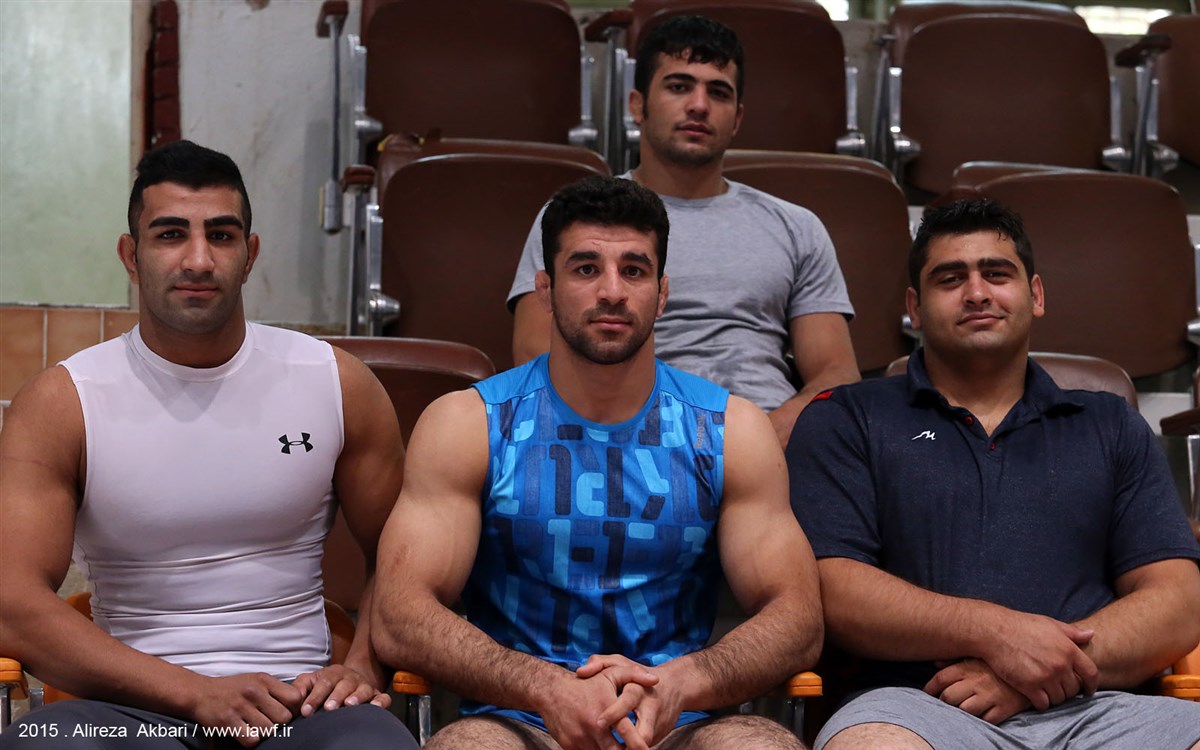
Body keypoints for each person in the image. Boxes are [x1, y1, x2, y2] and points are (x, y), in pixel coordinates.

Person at [372, 175, 822, 750]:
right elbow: (399, 615)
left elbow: (798, 616)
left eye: (634, 271)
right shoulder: (469, 423)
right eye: (586, 269)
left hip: (678, 718)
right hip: (518, 718)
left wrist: (682, 682)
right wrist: (546, 688)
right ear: (545, 288)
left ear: (662, 292)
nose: (612, 291)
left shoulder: (730, 429)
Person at [0, 141, 417, 749]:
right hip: (127, 711)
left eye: (220, 235)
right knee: (41, 741)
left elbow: (404, 559)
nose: (198, 259)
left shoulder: (336, 382)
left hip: (301, 707)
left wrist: (362, 668)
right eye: (170, 234)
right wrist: (196, 692)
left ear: (250, 255)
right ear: (131, 255)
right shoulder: (62, 403)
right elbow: (12, 605)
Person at [787, 198, 1200, 749]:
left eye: (997, 274)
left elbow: (1178, 602)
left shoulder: (1111, 425)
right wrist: (997, 633)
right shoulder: (846, 417)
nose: (977, 292)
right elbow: (834, 590)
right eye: (950, 278)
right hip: (914, 707)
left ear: (1036, 295)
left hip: (1097, 705)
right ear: (914, 307)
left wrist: (1039, 671)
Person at [508, 15, 860, 447]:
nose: (699, 105)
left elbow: (836, 373)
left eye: (718, 92)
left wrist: (762, 440)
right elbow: (535, 355)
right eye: (678, 86)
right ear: (637, 105)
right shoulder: (576, 219)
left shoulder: (797, 227)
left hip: (771, 438)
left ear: (738, 118)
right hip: (626, 440)